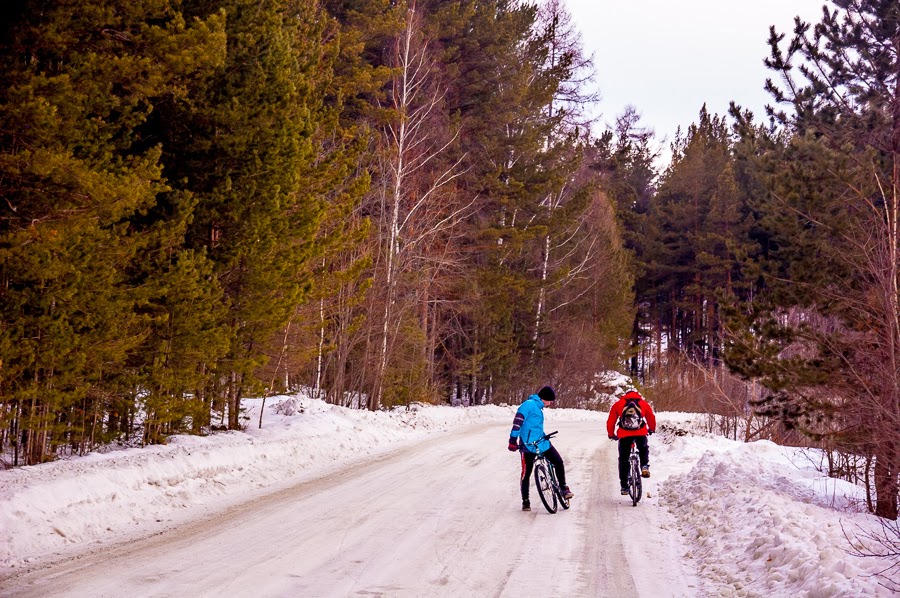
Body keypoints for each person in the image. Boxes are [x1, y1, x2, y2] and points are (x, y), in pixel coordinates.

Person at [507, 386, 573, 511]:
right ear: (545, 398)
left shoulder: (538, 407)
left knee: (558, 461)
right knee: (526, 474)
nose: (551, 403)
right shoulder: (528, 405)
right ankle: (525, 502)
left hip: (542, 442)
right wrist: (512, 440)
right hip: (528, 446)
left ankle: (563, 488)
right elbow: (517, 422)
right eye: (551, 400)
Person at [607, 389, 656, 495]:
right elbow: (651, 417)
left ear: (625, 395)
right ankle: (644, 466)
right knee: (643, 448)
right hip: (640, 433)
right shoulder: (643, 403)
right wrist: (651, 429)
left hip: (624, 435)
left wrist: (611, 434)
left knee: (623, 459)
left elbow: (611, 420)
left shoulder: (618, 404)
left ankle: (624, 487)